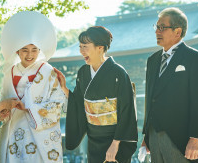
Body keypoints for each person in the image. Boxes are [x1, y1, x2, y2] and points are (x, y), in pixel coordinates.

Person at [55, 26, 138, 163]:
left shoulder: (118, 73)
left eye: (85, 46)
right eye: (80, 46)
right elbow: (78, 103)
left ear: (100, 48)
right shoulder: (83, 72)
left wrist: (115, 144)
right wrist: (64, 88)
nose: (81, 51)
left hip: (115, 140)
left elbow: (127, 110)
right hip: (94, 140)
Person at [0, 11, 66, 163]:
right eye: (25, 50)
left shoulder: (48, 71)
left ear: (40, 50)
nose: (30, 55)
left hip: (38, 133)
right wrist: (2, 110)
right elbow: (3, 97)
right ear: (17, 51)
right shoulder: (9, 72)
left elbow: (56, 104)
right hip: (13, 128)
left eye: (34, 50)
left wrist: (29, 107)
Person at [141, 7, 198, 163]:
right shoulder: (152, 60)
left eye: (162, 27)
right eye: (156, 27)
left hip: (182, 139)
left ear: (178, 32)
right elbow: (150, 99)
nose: (157, 31)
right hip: (155, 137)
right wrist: (146, 136)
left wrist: (196, 137)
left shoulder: (195, 58)